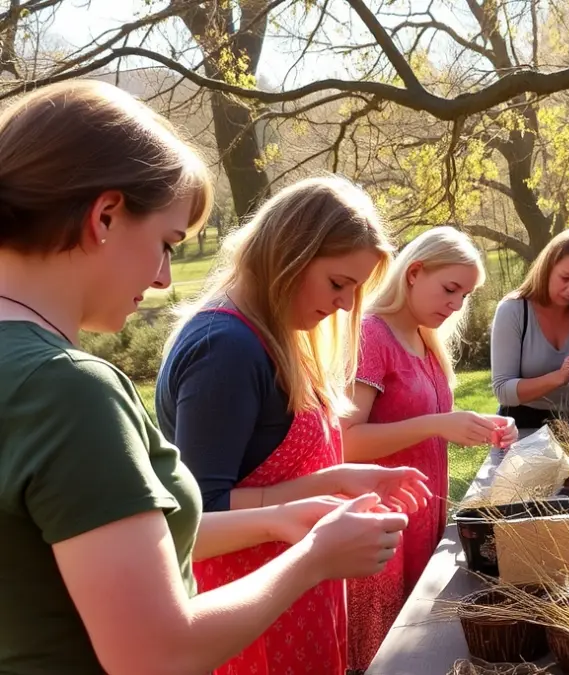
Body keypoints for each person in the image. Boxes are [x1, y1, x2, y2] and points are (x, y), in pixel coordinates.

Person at [0, 80, 422, 675]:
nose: (164, 279)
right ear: (105, 215)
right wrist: (310, 558)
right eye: (167, 243)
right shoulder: (68, 390)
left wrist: (280, 516)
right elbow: (157, 654)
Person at [157, 175, 431, 675]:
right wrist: (318, 499)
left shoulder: (271, 336)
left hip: (290, 594)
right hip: (248, 611)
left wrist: (343, 478)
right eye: (338, 283)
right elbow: (199, 515)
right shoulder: (226, 349)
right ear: (289, 255)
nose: (347, 305)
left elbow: (266, 479)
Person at [341, 226, 517, 669]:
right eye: (451, 289)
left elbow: (431, 425)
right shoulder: (370, 336)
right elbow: (346, 442)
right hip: (381, 525)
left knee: (421, 652)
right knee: (385, 659)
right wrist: (438, 423)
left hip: (424, 519)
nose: (456, 304)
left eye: (465, 296)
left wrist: (485, 425)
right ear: (414, 272)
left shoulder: (425, 340)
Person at [490, 228, 569, 427]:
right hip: (523, 423)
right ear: (547, 269)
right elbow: (503, 391)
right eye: (565, 278)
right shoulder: (513, 310)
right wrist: (558, 377)